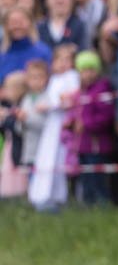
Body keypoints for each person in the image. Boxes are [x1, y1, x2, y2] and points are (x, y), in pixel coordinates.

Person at [28, 44, 80, 213]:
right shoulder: (55, 79)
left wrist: (54, 104)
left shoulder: (72, 77)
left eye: (68, 59)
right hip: (51, 126)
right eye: (60, 59)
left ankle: (58, 197)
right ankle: (41, 196)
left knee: (59, 160)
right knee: (46, 160)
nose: (63, 63)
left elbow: (69, 100)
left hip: (63, 125)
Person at [63, 50, 115, 205]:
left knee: (98, 179)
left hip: (97, 145)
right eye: (83, 70)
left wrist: (85, 124)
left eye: (91, 69)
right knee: (86, 178)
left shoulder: (102, 89)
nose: (87, 74)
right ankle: (89, 206)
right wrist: (71, 123)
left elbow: (106, 117)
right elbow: (77, 113)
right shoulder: (81, 92)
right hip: (83, 145)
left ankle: (103, 205)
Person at [0, 7, 52, 86]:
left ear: (30, 23)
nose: (17, 26)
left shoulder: (42, 51)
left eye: (21, 22)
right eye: (13, 22)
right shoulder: (2, 54)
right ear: (6, 26)